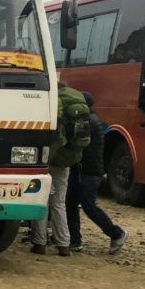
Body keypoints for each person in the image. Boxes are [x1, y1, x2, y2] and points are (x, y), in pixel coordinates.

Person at [65, 91, 127, 253]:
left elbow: (77, 144)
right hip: (82, 170)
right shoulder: (93, 120)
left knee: (89, 206)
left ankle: (116, 233)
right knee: (70, 204)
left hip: (88, 172)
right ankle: (74, 240)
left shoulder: (88, 123)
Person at [30, 84, 86, 257]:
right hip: (67, 160)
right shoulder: (77, 100)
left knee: (41, 200)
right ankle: (64, 244)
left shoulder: (55, 101)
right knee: (59, 202)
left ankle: (40, 243)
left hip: (50, 158)